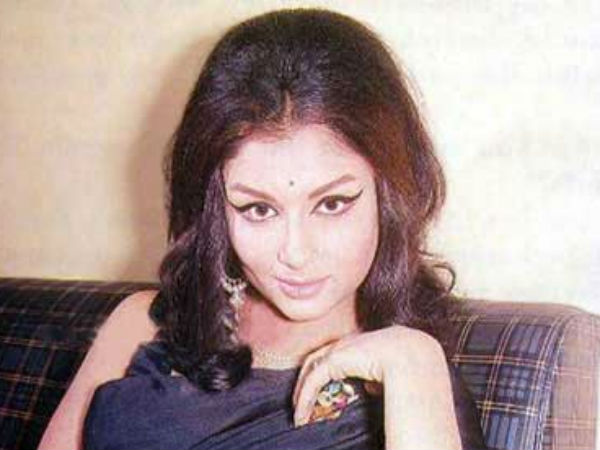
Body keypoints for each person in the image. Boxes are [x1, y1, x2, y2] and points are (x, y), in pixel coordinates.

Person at [38, 8, 487, 450]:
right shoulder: (142, 323)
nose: (295, 252)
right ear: (215, 207)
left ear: (391, 191)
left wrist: (413, 363)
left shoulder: (416, 387)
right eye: (258, 209)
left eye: (331, 204)